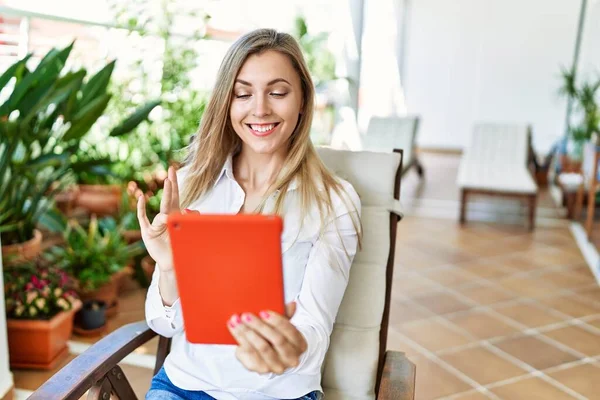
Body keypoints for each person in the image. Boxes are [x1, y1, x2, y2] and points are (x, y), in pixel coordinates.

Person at [137, 28, 362, 400]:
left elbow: (314, 327)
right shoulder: (192, 185)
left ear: (303, 99)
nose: (260, 108)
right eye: (243, 94)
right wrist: (170, 267)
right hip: (184, 386)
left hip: (280, 393)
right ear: (227, 102)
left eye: (277, 92)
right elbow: (162, 324)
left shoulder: (334, 201)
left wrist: (288, 348)